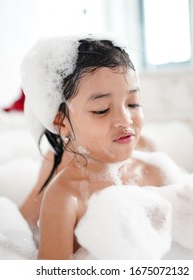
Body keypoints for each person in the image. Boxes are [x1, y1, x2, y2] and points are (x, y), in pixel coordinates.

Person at [20, 35, 168, 259]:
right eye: (101, 110)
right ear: (61, 123)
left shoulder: (151, 164)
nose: (125, 119)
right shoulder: (65, 197)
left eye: (133, 103)